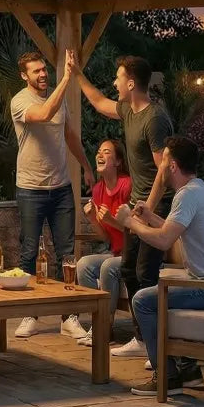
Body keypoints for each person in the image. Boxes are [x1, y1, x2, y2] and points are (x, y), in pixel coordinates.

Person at [116, 136, 204, 396]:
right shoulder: (200, 188)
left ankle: (167, 376)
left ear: (172, 166)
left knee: (142, 300)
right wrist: (149, 216)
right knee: (162, 293)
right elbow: (172, 229)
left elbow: (163, 241)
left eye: (162, 162)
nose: (159, 168)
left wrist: (130, 223)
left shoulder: (187, 196)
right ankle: (188, 371)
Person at [72, 55, 173, 358]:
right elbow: (99, 102)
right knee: (129, 269)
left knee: (144, 273)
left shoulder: (154, 119)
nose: (114, 83)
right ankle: (142, 340)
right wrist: (77, 74)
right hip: (137, 208)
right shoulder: (129, 110)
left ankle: (157, 344)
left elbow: (164, 171)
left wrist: (146, 211)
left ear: (131, 83)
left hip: (156, 210)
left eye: (118, 78)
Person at [10, 49, 95, 339]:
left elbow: (70, 135)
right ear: (24, 75)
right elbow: (44, 114)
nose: (43, 74)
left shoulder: (60, 100)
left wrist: (85, 166)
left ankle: (68, 317)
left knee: (66, 255)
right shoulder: (20, 101)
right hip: (30, 189)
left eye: (44, 69)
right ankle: (28, 313)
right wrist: (68, 77)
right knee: (29, 252)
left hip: (61, 188)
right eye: (36, 71)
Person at [75, 139, 132, 348]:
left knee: (108, 266)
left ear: (117, 161)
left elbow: (136, 231)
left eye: (106, 152)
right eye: (98, 151)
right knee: (84, 264)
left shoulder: (128, 185)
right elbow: (106, 237)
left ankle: (105, 329)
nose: (99, 154)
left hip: (134, 252)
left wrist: (112, 221)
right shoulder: (98, 190)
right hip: (116, 252)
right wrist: (92, 219)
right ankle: (97, 324)